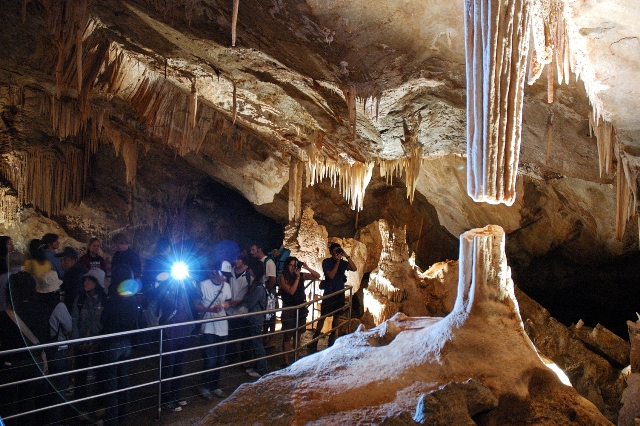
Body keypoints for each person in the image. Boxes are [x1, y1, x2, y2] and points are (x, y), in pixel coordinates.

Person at [0, 271, 50, 425]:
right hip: (33, 363)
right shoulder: (42, 310)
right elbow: (45, 337)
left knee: (10, 406)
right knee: (29, 402)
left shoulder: (5, 316)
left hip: (10, 365)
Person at [99, 264, 140, 426]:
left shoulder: (114, 298)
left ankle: (111, 421)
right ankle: (123, 418)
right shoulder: (132, 296)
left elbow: (104, 321)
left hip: (113, 342)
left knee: (112, 384)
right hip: (127, 342)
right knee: (123, 381)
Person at [35, 269, 73, 424]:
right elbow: (69, 327)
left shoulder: (35, 305)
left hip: (40, 352)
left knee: (43, 390)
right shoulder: (59, 306)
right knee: (58, 389)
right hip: (57, 351)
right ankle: (54, 421)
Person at [156, 264, 195, 412]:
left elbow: (197, 296)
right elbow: (165, 303)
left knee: (179, 365)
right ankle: (166, 398)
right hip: (170, 334)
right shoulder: (166, 288)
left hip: (183, 333)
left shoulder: (186, 288)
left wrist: (188, 281)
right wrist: (172, 285)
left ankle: (175, 393)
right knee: (168, 367)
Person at [196, 260, 232, 400]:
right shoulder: (203, 285)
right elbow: (196, 305)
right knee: (210, 359)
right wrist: (210, 309)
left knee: (220, 359)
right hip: (208, 327)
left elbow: (228, 301)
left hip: (222, 326)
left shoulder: (227, 286)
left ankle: (215, 385)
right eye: (223, 275)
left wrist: (225, 305)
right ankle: (205, 386)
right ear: (216, 272)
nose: (225, 278)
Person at [310, 243, 357, 350]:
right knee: (323, 316)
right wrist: (337, 262)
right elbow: (331, 275)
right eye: (336, 251)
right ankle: (315, 339)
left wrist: (346, 255)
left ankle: (332, 339)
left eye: (339, 251)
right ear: (331, 252)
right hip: (329, 293)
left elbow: (354, 268)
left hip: (339, 293)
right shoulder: (326, 262)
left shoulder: (343, 262)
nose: (337, 253)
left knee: (336, 316)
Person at [71, 268, 107, 407]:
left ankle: (100, 405)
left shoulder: (104, 301)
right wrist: (77, 341)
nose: (86, 282)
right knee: (80, 376)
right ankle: (81, 406)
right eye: (85, 279)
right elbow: (74, 320)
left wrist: (98, 341)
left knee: (100, 375)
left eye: (90, 279)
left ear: (97, 282)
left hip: (98, 344)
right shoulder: (80, 300)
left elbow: (105, 323)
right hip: (82, 343)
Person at [279, 257, 320, 366]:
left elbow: (317, 276)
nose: (293, 267)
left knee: (298, 335)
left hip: (300, 309)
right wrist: (297, 278)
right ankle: (286, 361)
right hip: (289, 308)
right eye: (291, 265)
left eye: (294, 265)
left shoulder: (301, 275)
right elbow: (291, 291)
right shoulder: (283, 277)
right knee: (287, 335)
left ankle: (296, 357)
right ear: (287, 266)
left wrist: (307, 268)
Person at [226, 252, 251, 364]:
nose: (236, 261)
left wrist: (241, 301)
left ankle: (245, 360)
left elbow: (251, 290)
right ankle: (231, 356)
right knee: (231, 334)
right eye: (234, 259)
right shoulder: (231, 271)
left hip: (242, 310)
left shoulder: (249, 273)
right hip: (230, 309)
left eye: (238, 259)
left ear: (243, 260)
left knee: (243, 335)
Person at [244, 259, 268, 378]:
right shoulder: (257, 284)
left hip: (256, 318)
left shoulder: (258, 287)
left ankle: (262, 369)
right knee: (255, 343)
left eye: (251, 269)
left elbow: (250, 302)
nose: (249, 270)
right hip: (255, 317)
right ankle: (257, 366)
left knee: (257, 344)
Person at [250, 243, 277, 347]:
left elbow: (272, 280)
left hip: (266, 292)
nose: (251, 252)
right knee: (265, 316)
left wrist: (267, 292)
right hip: (262, 290)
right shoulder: (259, 262)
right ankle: (265, 337)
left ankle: (270, 339)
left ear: (259, 250)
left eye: (253, 250)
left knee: (270, 316)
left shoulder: (269, 262)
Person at [59, 246, 88, 311]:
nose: (62, 263)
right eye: (61, 259)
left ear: (74, 260)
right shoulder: (72, 272)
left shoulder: (75, 275)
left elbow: (74, 297)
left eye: (65, 259)